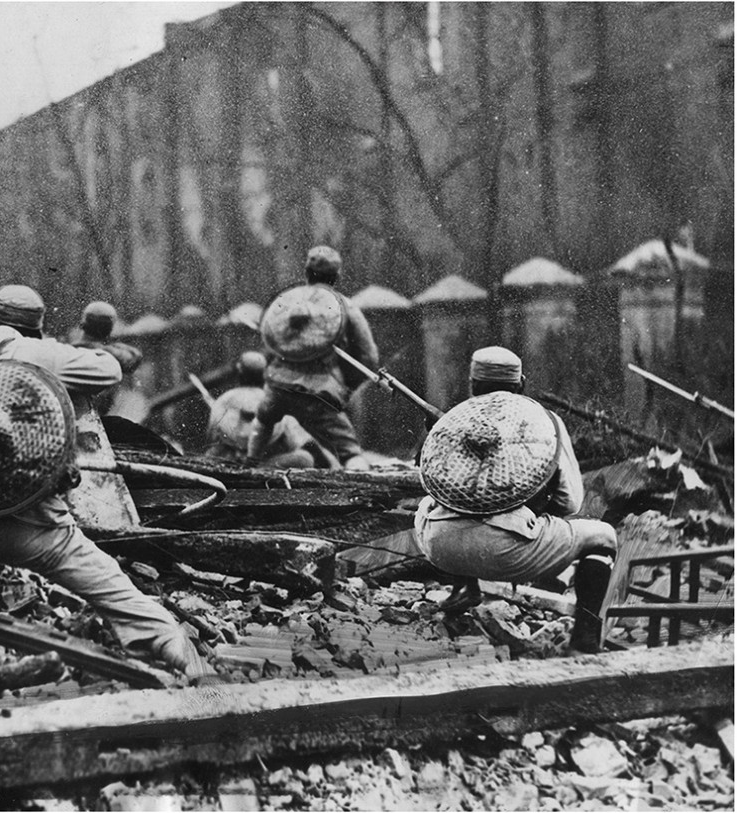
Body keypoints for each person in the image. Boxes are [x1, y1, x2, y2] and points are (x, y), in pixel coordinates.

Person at [0, 284, 212, 680]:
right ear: (37, 328)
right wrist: (80, 354)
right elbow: (110, 370)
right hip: (35, 529)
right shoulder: (43, 353)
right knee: (104, 579)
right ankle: (168, 642)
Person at [413, 346, 618, 653]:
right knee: (604, 537)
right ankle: (585, 641)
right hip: (509, 553)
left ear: (472, 385)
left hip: (440, 545)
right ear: (521, 384)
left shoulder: (453, 422)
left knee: (428, 508)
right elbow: (570, 503)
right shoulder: (545, 422)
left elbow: (429, 480)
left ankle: (462, 588)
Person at [248, 245, 380, 470]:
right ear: (336, 276)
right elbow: (368, 358)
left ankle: (248, 465)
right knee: (348, 449)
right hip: (319, 392)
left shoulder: (287, 303)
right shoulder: (346, 306)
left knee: (263, 420)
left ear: (306, 272)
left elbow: (271, 345)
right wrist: (344, 386)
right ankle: (361, 490)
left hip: (277, 387)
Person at [204, 351, 321, 469]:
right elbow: (296, 441)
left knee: (210, 455)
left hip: (229, 463)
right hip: (265, 464)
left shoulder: (224, 399)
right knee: (305, 458)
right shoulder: (271, 400)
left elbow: (211, 436)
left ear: (239, 372)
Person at [70, 301, 143, 416]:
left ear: (82, 325)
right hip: (105, 417)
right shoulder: (112, 355)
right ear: (110, 329)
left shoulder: (68, 351)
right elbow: (134, 357)